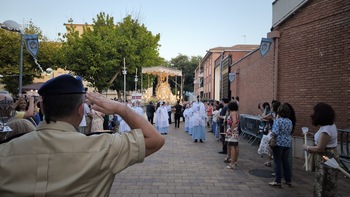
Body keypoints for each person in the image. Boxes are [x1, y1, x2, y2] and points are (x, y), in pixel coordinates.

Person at [0, 74, 165, 196]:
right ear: (81, 111)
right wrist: (121, 109)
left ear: (42, 108)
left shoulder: (5, 151)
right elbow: (155, 139)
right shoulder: (103, 147)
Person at [303, 102, 339, 197]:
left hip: (326, 159)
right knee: (323, 182)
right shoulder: (327, 126)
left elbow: (320, 148)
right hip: (326, 158)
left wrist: (307, 147)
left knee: (324, 184)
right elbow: (321, 139)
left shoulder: (326, 129)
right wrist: (310, 134)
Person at [269, 103, 294, 188]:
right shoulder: (289, 121)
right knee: (285, 162)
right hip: (287, 143)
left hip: (278, 143)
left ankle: (277, 181)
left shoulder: (278, 121)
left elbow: (275, 132)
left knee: (277, 161)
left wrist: (271, 135)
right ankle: (288, 180)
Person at [225, 101, 240, 169]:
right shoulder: (235, 113)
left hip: (232, 132)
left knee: (232, 147)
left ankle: (232, 163)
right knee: (235, 146)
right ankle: (235, 161)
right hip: (235, 131)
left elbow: (234, 122)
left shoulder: (233, 113)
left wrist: (231, 130)